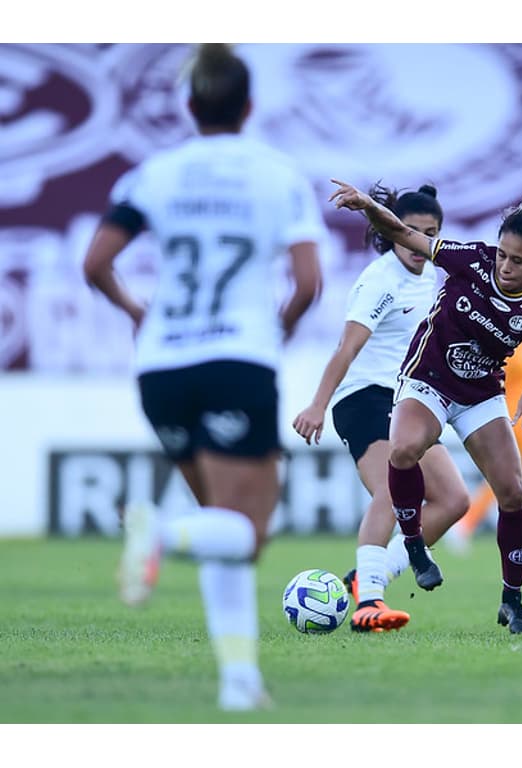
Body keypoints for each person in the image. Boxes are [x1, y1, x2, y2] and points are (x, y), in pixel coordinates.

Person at [82, 44, 324, 710]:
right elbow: (307, 283)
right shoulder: (278, 175)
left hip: (161, 364)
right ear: (249, 106)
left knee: (223, 524)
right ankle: (157, 531)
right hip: (235, 360)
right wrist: (281, 327)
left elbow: (96, 261)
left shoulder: (154, 175)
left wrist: (137, 311)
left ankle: (239, 682)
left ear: (190, 107)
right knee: (247, 531)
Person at [329, 177, 522, 635]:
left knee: (514, 493)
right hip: (428, 380)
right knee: (403, 450)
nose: (503, 265)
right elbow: (404, 235)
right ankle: (416, 548)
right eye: (502, 253)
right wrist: (366, 206)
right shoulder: (473, 260)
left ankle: (513, 601)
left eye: (518, 260)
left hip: (480, 394)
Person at [291, 183, 469, 632]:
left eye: (430, 232)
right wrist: (317, 404)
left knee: (453, 500)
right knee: (395, 491)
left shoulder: (432, 274)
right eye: (409, 230)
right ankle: (370, 601)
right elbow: (346, 349)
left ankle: (365, 578)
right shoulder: (379, 281)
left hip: (410, 402)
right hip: (364, 398)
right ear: (390, 231)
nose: (418, 242)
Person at [448, 339, 522, 557]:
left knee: (518, 473)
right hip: (512, 412)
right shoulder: (508, 341)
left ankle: (466, 526)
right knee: (521, 470)